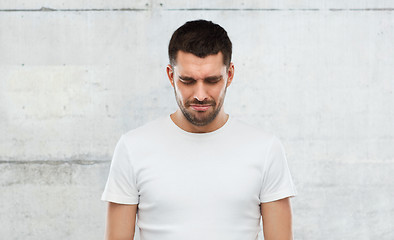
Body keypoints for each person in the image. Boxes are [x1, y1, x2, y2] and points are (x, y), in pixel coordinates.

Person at [101, 19, 297, 240]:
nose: (200, 95)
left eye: (212, 80)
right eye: (187, 80)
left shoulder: (265, 149)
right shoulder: (133, 147)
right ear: (170, 76)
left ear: (230, 75)